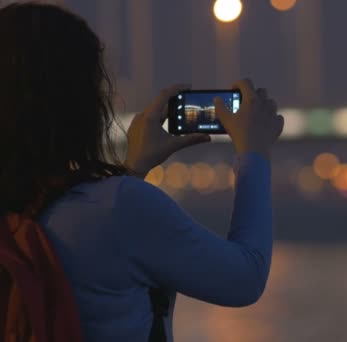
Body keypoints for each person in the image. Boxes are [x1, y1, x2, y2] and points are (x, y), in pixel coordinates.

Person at [0, 3, 284, 342]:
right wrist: (254, 152)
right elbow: (244, 278)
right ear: (80, 102)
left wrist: (132, 169)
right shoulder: (119, 206)